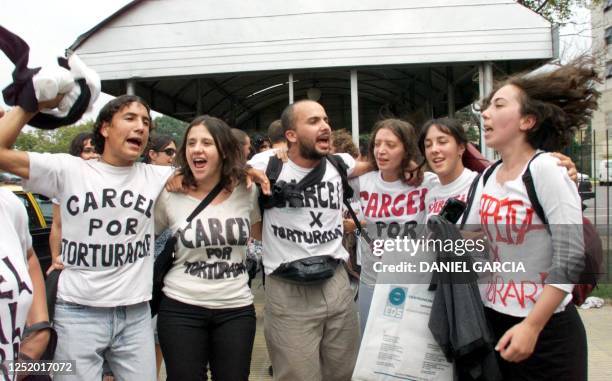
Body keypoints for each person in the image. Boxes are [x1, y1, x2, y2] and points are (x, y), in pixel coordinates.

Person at [0, 94, 174, 380]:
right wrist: (30, 104)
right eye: (130, 118)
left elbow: (214, 174)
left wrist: (253, 170)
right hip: (77, 314)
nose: (141, 127)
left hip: (136, 314)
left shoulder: (157, 177)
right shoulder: (68, 169)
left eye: (146, 122)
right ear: (105, 127)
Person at [462, 59, 597, 380]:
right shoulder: (488, 176)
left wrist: (532, 326)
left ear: (527, 120)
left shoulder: (547, 169)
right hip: (496, 322)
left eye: (498, 105)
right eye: (487, 107)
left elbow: (570, 256)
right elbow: (466, 239)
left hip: (547, 332)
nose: (485, 114)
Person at [248, 100, 361, 381]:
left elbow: (374, 167)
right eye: (313, 121)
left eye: (325, 119)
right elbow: (225, 171)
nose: (325, 126)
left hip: (336, 282)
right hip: (288, 290)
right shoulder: (267, 164)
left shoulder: (339, 163)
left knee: (344, 372)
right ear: (291, 135)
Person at [155, 115, 261, 381]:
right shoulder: (170, 194)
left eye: (206, 143)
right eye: (191, 143)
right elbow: (145, 238)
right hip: (181, 307)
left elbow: (262, 233)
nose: (197, 149)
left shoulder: (247, 191)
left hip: (236, 308)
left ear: (223, 150)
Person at [353, 118, 439, 334]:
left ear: (407, 149)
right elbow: (329, 168)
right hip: (372, 281)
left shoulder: (426, 182)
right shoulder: (364, 181)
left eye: (390, 145)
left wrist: (416, 165)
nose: (381, 151)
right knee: (370, 347)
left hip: (413, 282)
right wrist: (367, 165)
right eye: (377, 144)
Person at [47, 132, 99, 274]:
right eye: (87, 151)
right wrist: (54, 259)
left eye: (97, 151)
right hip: (74, 261)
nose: (93, 155)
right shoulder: (65, 184)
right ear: (77, 154)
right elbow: (57, 225)